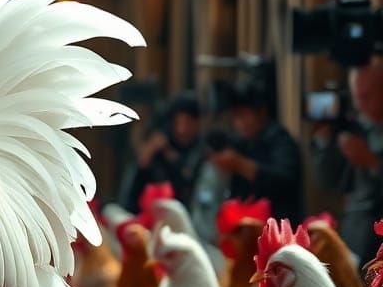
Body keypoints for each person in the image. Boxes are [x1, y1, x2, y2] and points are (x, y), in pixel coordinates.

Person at [311, 59, 383, 264]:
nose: (360, 105)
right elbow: (328, 182)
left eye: (367, 97)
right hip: (355, 236)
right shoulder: (356, 129)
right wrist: (325, 142)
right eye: (356, 98)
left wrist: (373, 164)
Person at [208, 79, 302, 222]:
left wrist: (242, 165)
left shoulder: (279, 139)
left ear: (261, 112)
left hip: (279, 225)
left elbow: (284, 181)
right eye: (236, 116)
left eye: (244, 115)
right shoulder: (243, 142)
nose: (240, 122)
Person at [120, 92, 204, 212]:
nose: (182, 129)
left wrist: (168, 152)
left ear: (197, 123)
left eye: (188, 123)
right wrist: (152, 148)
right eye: (178, 123)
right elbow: (142, 165)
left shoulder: (199, 149)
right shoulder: (163, 143)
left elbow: (187, 175)